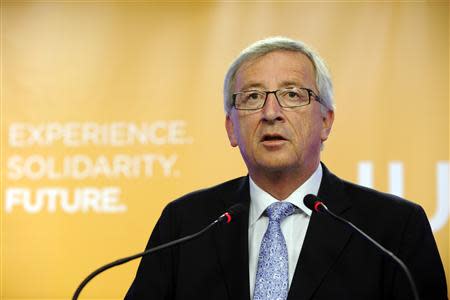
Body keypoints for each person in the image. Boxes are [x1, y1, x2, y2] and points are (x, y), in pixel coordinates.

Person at [125, 37, 447, 300]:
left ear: (325, 121)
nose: (271, 112)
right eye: (252, 96)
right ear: (231, 128)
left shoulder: (394, 230)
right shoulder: (185, 225)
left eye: (292, 94)